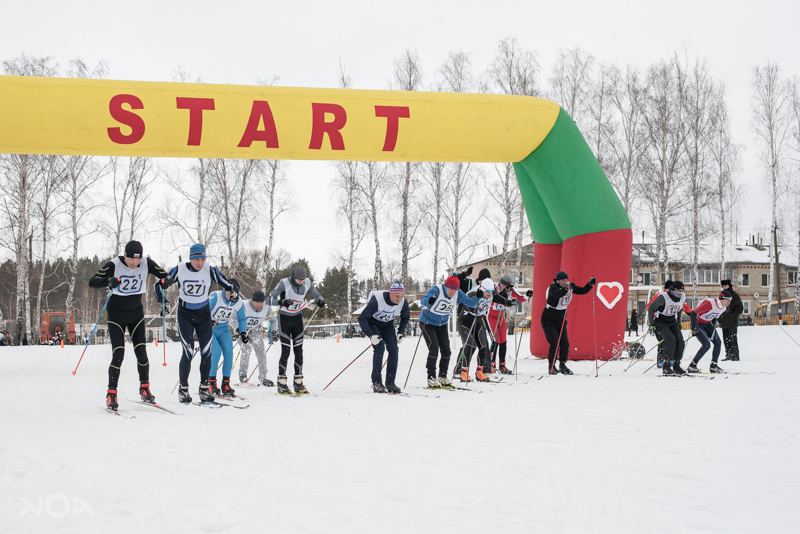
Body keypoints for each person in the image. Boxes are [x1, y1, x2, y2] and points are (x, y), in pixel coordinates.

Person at [89, 240, 170, 410]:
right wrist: (108, 281)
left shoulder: (146, 263)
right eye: (131, 259)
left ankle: (145, 388)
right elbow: (93, 281)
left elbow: (166, 276)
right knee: (118, 354)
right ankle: (111, 393)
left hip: (136, 314)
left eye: (137, 259)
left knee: (141, 353)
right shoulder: (114, 264)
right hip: (116, 315)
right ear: (124, 256)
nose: (134, 263)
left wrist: (165, 282)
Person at [154, 243, 238, 404]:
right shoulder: (179, 269)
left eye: (202, 259)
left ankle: (204, 388)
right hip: (185, 314)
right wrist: (163, 301)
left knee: (206, 351)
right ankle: (183, 389)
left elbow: (229, 284)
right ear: (190, 259)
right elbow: (158, 285)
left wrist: (234, 291)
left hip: (204, 314)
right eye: (196, 259)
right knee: (188, 351)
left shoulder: (210, 270)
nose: (200, 263)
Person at [268, 264, 325, 395]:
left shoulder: (307, 282)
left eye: (302, 280)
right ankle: (281, 382)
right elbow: (269, 299)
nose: (301, 282)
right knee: (286, 351)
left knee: (299, 351)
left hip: (297, 319)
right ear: (293, 277)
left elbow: (316, 294)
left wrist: (320, 300)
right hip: (284, 318)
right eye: (298, 280)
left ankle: (298, 383)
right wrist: (281, 302)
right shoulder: (284, 283)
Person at [419, 274, 481, 388]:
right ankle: (431, 377)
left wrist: (478, 296)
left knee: (446, 351)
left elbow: (471, 303)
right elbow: (423, 300)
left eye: (455, 290)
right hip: (427, 323)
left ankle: (442, 376)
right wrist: (429, 300)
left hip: (442, 325)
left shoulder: (458, 293)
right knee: (434, 349)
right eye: (451, 289)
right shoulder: (437, 289)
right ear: (446, 286)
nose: (452, 292)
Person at [358, 281, 410, 393]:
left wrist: (401, 332)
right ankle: (377, 382)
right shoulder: (377, 300)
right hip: (373, 323)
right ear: (390, 293)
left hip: (387, 325)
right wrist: (370, 335)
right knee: (380, 347)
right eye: (397, 296)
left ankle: (390, 382)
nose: (399, 299)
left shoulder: (403, 302)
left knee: (394, 349)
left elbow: (405, 317)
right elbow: (362, 318)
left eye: (401, 296)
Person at [540, 271, 596, 375]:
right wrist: (566, 289)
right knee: (555, 342)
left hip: (560, 319)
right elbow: (556, 295)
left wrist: (590, 284)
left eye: (566, 280)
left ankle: (563, 365)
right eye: (562, 280)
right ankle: (552, 366)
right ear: (558, 281)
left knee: (565, 342)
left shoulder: (569, 286)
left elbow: (582, 291)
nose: (565, 282)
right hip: (549, 319)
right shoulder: (553, 287)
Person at [207, 281, 247, 396]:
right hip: (211, 329)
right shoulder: (215, 296)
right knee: (216, 352)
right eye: (231, 293)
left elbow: (242, 318)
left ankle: (225, 384)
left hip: (224, 329)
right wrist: (208, 320)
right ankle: (211, 383)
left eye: (236, 294)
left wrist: (243, 332)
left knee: (229, 353)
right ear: (225, 290)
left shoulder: (239, 302)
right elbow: (204, 311)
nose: (233, 296)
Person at [488, 274, 532, 374]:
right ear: (501, 283)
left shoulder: (510, 289)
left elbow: (521, 298)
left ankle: (502, 365)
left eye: (508, 287)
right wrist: (507, 297)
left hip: (501, 317)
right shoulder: (493, 287)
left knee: (503, 340)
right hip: (491, 316)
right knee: (495, 340)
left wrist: (527, 294)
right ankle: (491, 363)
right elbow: (496, 297)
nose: (506, 288)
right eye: (505, 286)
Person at [456, 278, 497, 382]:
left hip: (477, 321)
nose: (490, 293)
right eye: (488, 291)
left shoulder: (491, 295)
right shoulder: (473, 294)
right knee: (470, 344)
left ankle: (479, 372)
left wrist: (512, 301)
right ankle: (463, 372)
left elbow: (502, 300)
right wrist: (477, 300)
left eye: (491, 291)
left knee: (483, 346)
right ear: (482, 289)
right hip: (464, 322)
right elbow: (469, 307)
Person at [647, 280, 687, 375]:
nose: (680, 293)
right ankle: (666, 366)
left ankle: (676, 365)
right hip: (661, 321)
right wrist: (652, 323)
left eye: (682, 291)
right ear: (672, 290)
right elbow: (651, 308)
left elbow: (680, 308)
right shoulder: (663, 297)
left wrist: (678, 322)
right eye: (678, 291)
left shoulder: (682, 297)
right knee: (670, 340)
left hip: (672, 320)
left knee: (680, 342)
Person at [687, 290, 732, 373]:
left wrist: (712, 327)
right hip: (698, 324)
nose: (729, 302)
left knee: (718, 342)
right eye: (727, 299)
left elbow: (715, 317)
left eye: (730, 300)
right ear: (721, 298)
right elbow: (693, 313)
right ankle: (692, 366)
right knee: (706, 345)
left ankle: (714, 366)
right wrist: (694, 328)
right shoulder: (710, 303)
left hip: (707, 324)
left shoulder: (723, 308)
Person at [238, 291, 277, 386]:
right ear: (252, 301)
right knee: (246, 350)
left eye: (261, 302)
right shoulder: (244, 305)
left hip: (256, 331)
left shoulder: (266, 307)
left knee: (261, 353)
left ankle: (263, 377)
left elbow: (273, 320)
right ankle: (243, 375)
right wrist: (238, 330)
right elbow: (233, 318)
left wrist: (274, 331)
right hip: (244, 331)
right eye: (257, 302)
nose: (259, 305)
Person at [719, 279, 743, 361]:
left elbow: (739, 308)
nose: (724, 287)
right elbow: (719, 307)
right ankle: (728, 354)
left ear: (729, 286)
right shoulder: (721, 295)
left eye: (726, 285)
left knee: (732, 339)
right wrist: (719, 318)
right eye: (723, 286)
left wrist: (733, 316)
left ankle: (735, 355)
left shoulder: (734, 295)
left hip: (732, 322)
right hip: (724, 322)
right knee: (726, 340)